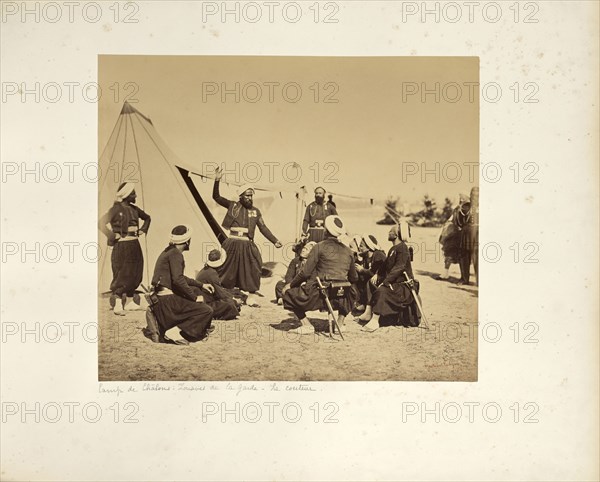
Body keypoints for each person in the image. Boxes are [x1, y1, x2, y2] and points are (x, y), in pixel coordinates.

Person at [282, 215, 358, 335]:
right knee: (352, 290)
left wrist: (290, 285)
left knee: (288, 293)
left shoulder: (319, 247)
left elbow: (305, 273)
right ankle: (340, 322)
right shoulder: (348, 251)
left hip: (322, 293)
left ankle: (307, 325)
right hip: (342, 295)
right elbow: (354, 278)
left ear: (325, 231)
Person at [212, 167, 282, 294]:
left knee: (254, 265)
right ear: (241, 196)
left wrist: (275, 240)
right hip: (232, 242)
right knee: (226, 267)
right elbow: (216, 197)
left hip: (247, 243)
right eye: (247, 195)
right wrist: (217, 180)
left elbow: (263, 228)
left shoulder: (255, 211)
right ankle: (224, 291)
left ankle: (250, 294)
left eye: (251, 195)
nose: (250, 198)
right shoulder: (232, 205)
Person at [148, 225, 215, 345]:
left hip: (160, 299)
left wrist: (201, 285)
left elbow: (179, 277)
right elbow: (178, 280)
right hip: (167, 300)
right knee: (207, 310)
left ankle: (168, 325)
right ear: (187, 241)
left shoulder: (168, 251)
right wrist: (194, 298)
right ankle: (175, 331)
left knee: (195, 295)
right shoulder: (176, 254)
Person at [98, 182, 151, 315]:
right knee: (122, 273)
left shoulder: (134, 209)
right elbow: (101, 223)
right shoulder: (115, 209)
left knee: (136, 271)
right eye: (133, 193)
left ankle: (130, 302)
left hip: (134, 245)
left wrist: (143, 229)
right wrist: (111, 235)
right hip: (122, 246)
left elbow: (147, 218)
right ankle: (117, 304)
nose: (136, 195)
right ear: (127, 195)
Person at [362, 224, 420, 332]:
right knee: (371, 282)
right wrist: (378, 274)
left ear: (397, 234)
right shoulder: (393, 248)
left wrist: (386, 281)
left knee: (382, 290)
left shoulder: (402, 248)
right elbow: (385, 265)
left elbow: (399, 267)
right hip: (395, 283)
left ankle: (375, 320)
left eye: (391, 231)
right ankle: (368, 312)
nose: (389, 232)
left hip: (403, 286)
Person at [194, 248, 240, 320]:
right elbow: (220, 293)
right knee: (230, 304)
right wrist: (234, 300)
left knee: (230, 302)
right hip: (205, 304)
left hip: (202, 301)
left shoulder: (207, 270)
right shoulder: (211, 273)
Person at [355, 234, 387, 321]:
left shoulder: (379, 254)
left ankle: (368, 310)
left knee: (369, 280)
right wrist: (359, 260)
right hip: (374, 278)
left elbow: (379, 270)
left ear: (369, 247)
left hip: (383, 279)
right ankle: (363, 303)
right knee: (357, 278)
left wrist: (362, 270)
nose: (359, 248)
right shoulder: (366, 256)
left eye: (361, 246)